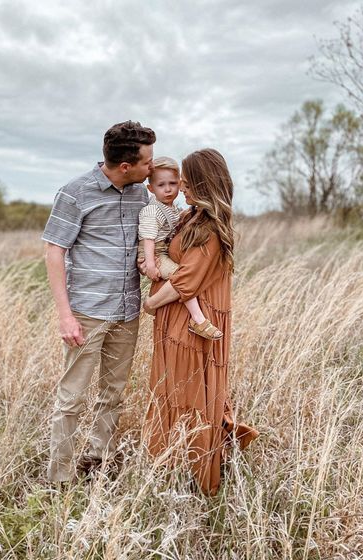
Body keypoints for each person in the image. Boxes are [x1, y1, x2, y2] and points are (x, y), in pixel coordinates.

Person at [42, 120, 156, 484]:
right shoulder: (75, 193)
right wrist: (64, 316)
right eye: (147, 162)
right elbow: (54, 252)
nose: (151, 168)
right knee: (72, 397)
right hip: (86, 313)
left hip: (127, 311)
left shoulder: (141, 195)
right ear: (126, 166)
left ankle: (97, 459)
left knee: (114, 393)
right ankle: (59, 478)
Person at [142, 148, 259, 495]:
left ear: (204, 183)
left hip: (192, 326)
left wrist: (150, 302)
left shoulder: (209, 228)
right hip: (176, 323)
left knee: (193, 395)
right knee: (175, 393)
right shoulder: (189, 217)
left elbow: (186, 281)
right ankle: (172, 471)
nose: (183, 187)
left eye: (189, 181)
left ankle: (197, 477)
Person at [138, 156, 223, 340]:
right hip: (156, 253)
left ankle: (198, 319)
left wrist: (150, 304)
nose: (171, 189)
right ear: (151, 189)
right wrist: (150, 262)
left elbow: (186, 279)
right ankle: (198, 318)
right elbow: (148, 239)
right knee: (178, 275)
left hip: (168, 296)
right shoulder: (153, 211)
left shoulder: (183, 214)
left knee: (180, 277)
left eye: (175, 183)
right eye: (161, 185)